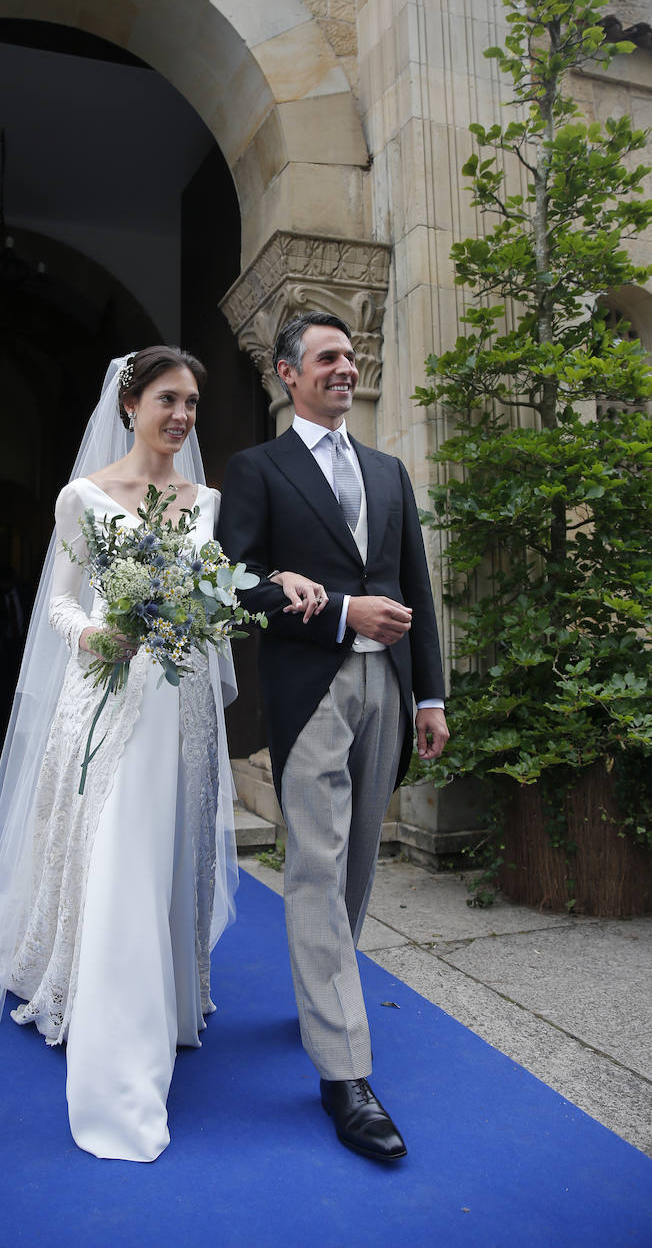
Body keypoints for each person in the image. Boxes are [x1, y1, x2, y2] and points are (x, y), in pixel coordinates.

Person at [0, 347, 241, 1163]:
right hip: (108, 698)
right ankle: (119, 1050)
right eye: (167, 400)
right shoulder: (84, 497)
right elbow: (60, 602)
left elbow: (213, 601)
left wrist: (206, 618)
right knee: (115, 856)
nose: (181, 416)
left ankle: (168, 995)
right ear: (130, 404)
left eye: (190, 402)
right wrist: (96, 636)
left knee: (164, 852)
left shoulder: (204, 501)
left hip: (180, 711)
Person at [218, 312, 449, 1162]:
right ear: (289, 374)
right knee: (314, 863)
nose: (346, 368)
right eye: (328, 358)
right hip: (308, 687)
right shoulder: (258, 469)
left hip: (387, 690)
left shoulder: (388, 473)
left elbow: (414, 584)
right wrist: (337, 610)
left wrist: (432, 694)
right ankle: (344, 1071)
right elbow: (231, 582)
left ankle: (324, 994)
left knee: (356, 864)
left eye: (351, 357)